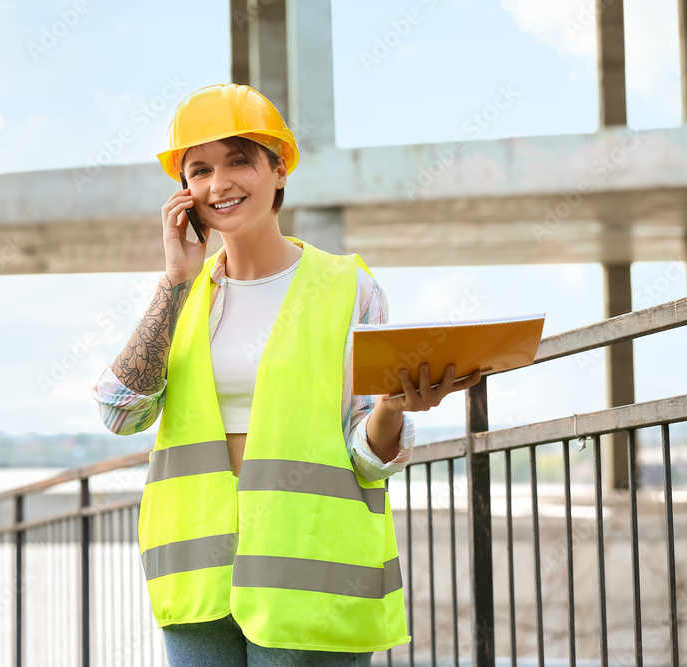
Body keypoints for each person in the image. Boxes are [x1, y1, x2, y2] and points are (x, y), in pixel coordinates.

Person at [90, 83, 480, 666]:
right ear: (184, 193)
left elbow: (366, 457)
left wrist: (391, 410)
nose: (219, 183)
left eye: (239, 160)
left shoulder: (350, 289)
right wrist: (174, 279)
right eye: (199, 170)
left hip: (311, 568)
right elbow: (120, 413)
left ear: (278, 170)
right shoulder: (185, 295)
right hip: (200, 576)